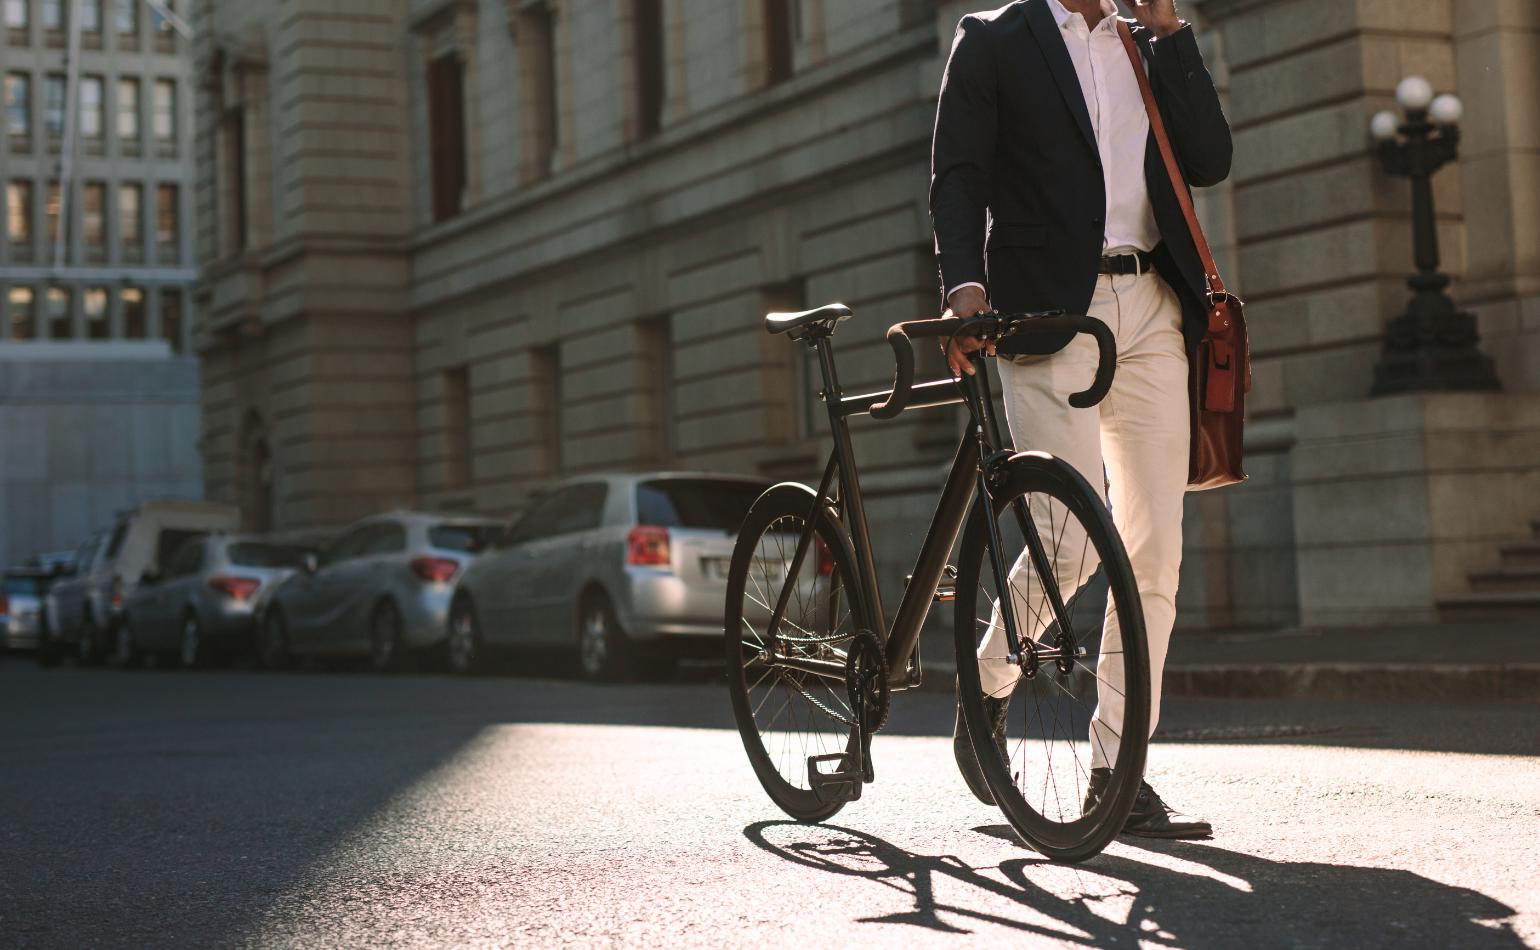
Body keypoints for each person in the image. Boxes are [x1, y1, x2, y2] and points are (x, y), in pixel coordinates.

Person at [931, 0, 1231, 838]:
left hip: (1153, 306)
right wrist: (964, 288)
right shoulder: (994, 38)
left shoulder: (1144, 41)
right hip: (1046, 309)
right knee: (1068, 539)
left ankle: (1116, 771)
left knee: (1154, 548)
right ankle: (989, 679)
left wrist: (1171, 33)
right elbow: (959, 174)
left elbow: (1210, 159)